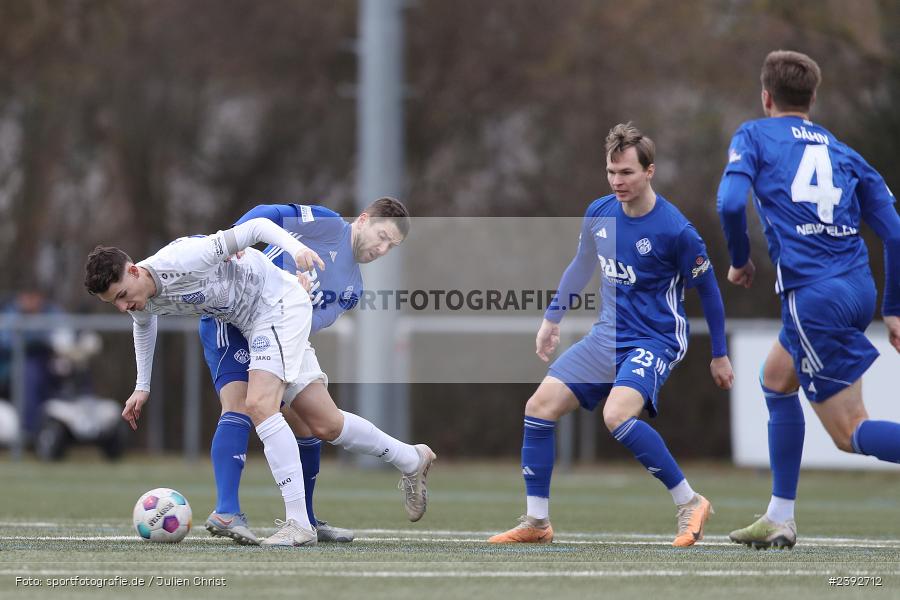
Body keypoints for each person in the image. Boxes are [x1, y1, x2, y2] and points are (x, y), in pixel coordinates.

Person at [84, 218, 435, 548]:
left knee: (258, 405)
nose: (122, 305)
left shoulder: (183, 258)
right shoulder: (139, 300)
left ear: (133, 270)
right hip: (256, 322)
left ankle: (299, 524)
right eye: (113, 302)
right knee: (326, 424)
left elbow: (256, 226)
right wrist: (142, 385)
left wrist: (292, 249)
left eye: (120, 295)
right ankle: (411, 458)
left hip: (277, 305)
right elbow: (144, 325)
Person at [488, 123, 734, 547]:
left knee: (617, 415)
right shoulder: (600, 213)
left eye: (627, 173)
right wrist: (552, 318)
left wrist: (719, 353)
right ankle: (537, 522)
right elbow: (582, 265)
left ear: (649, 171)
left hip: (656, 338)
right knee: (538, 407)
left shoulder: (676, 231)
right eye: (611, 172)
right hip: (608, 335)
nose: (618, 182)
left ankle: (690, 501)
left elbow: (709, 291)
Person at [717, 50, 900, 549]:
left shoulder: (753, 134)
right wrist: (893, 306)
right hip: (856, 288)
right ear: (813, 99)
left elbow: (730, 201)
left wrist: (739, 259)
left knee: (849, 432)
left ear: (766, 97)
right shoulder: (845, 152)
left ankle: (781, 516)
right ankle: (779, 515)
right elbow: (896, 233)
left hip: (812, 296)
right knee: (776, 380)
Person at [201, 198, 411, 545]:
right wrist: (232, 241)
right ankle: (227, 510)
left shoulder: (352, 289)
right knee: (239, 404)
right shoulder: (327, 224)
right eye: (382, 236)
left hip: (275, 331)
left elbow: (312, 322)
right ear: (363, 220)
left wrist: (295, 301)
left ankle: (306, 521)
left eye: (391, 245)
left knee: (311, 422)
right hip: (234, 318)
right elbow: (267, 213)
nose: (382, 248)